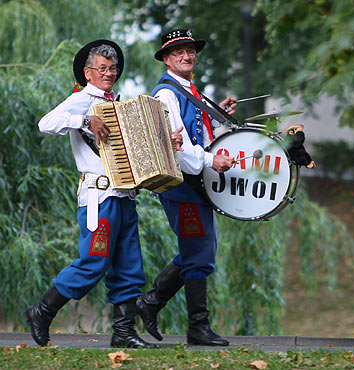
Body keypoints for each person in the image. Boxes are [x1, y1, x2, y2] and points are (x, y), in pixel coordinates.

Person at [24, 39, 182, 348]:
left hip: (124, 196)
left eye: (113, 68)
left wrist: (165, 143)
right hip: (99, 198)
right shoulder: (83, 99)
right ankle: (41, 311)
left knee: (129, 265)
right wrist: (85, 119)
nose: (109, 73)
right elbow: (46, 123)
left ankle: (123, 333)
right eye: (102, 68)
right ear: (88, 72)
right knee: (94, 262)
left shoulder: (119, 102)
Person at [136, 29, 236, 346]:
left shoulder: (189, 90)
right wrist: (210, 161)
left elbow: (196, 133)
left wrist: (216, 115)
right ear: (166, 58)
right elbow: (177, 148)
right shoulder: (167, 93)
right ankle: (197, 328)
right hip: (182, 185)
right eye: (178, 51)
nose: (186, 55)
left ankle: (150, 303)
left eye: (190, 50)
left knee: (199, 250)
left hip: (194, 185)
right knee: (199, 252)